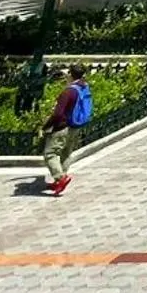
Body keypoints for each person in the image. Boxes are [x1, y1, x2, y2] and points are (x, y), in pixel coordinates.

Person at [39, 65, 93, 195]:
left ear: (70, 74)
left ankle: (61, 178)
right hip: (75, 126)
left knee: (50, 154)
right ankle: (60, 179)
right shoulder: (84, 87)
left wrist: (46, 126)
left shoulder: (68, 92)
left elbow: (58, 114)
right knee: (66, 153)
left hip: (63, 127)